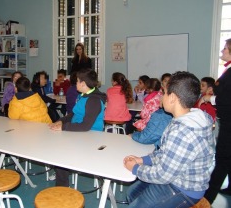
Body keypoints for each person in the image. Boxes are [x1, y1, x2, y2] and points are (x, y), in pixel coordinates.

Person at [124, 71, 215, 208]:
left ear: (172, 98)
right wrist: (143, 160)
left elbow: (163, 175)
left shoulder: (182, 132)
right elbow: (165, 152)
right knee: (132, 194)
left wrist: (136, 168)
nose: (161, 97)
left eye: (164, 93)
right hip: (173, 175)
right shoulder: (186, 117)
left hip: (183, 188)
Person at [49, 68, 106, 187]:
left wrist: (63, 127)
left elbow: (85, 126)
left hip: (90, 137)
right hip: (78, 133)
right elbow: (73, 114)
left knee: (60, 152)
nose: (75, 83)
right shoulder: (83, 95)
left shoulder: (94, 100)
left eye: (77, 81)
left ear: (83, 84)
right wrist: (59, 121)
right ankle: (62, 174)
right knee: (54, 145)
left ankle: (62, 187)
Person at [203, 38, 231, 203]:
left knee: (222, 158)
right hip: (227, 120)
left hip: (229, 123)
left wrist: (211, 98)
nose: (222, 52)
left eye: (225, 49)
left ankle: (206, 199)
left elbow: (227, 98)